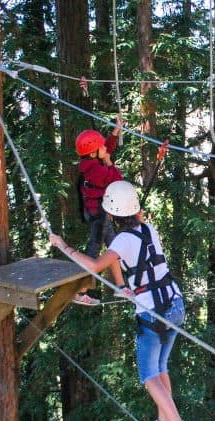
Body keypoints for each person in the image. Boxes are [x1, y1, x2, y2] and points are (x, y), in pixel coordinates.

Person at [50, 181, 196, 421]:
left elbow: (95, 266)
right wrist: (123, 285)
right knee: (161, 365)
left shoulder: (120, 240)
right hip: (174, 304)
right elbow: (129, 259)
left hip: (153, 311)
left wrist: (63, 246)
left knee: (148, 374)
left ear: (112, 213)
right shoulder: (147, 230)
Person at [73, 119, 124, 306]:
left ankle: (121, 287)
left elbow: (105, 148)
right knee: (94, 252)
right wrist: (109, 161)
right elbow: (117, 181)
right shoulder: (95, 170)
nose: (104, 148)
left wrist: (115, 133)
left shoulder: (90, 162)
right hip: (98, 215)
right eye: (100, 147)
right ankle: (79, 291)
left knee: (114, 248)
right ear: (94, 152)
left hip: (96, 212)